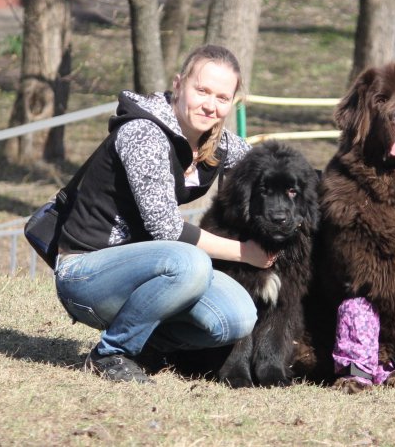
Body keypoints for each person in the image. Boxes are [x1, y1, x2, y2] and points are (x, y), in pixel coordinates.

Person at [55, 44, 275, 383]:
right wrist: (246, 253)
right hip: (86, 273)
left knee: (238, 316)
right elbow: (166, 230)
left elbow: (268, 167)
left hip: (145, 273)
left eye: (222, 97)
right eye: (202, 90)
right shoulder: (144, 133)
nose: (210, 105)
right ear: (178, 84)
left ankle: (147, 348)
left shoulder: (215, 142)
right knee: (191, 262)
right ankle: (112, 352)